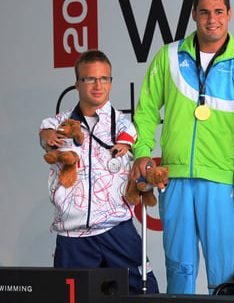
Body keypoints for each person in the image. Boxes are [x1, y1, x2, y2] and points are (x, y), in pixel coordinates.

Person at [130, 0, 234, 294]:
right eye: (204, 12)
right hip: (175, 178)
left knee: (225, 273)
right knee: (180, 269)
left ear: (229, 14)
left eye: (218, 12)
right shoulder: (169, 56)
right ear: (194, 15)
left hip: (220, 179)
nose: (211, 19)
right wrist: (143, 152)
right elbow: (145, 110)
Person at [39, 49, 159, 295]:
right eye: (90, 79)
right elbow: (45, 137)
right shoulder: (59, 124)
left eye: (104, 79)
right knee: (70, 298)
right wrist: (46, 137)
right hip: (73, 235)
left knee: (145, 293)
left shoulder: (125, 125)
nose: (98, 85)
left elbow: (141, 164)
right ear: (77, 84)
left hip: (116, 228)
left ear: (111, 82)